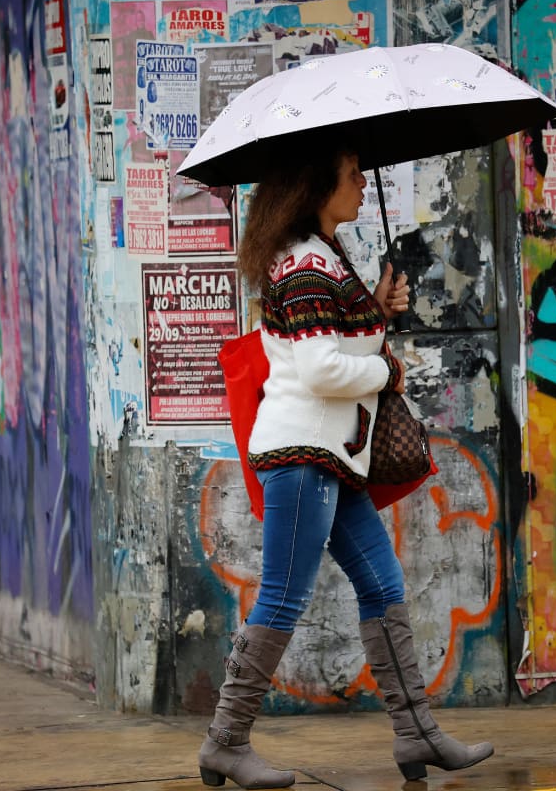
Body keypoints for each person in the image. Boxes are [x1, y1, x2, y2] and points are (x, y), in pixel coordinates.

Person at [198, 141, 494, 789]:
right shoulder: (304, 263)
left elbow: (335, 342)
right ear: (316, 184)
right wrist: (387, 368)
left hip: (331, 456)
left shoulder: (324, 255)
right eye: (351, 173)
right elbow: (321, 369)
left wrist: (378, 311)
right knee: (281, 594)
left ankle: (416, 732)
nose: (362, 183)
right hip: (303, 454)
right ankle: (225, 741)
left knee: (384, 586)